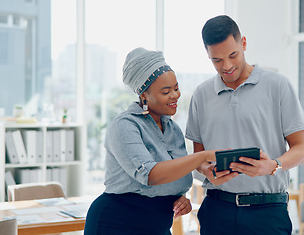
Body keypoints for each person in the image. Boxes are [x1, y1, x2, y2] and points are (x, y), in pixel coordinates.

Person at [185, 15, 304, 234]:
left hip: (267, 212)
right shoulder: (201, 95)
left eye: (233, 55)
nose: (227, 66)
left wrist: (273, 165)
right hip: (216, 210)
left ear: (243, 43)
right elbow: (198, 156)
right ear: (207, 55)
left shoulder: (278, 86)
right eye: (217, 60)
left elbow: (301, 150)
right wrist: (207, 170)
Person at [84, 48, 216, 235]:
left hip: (157, 227)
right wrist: (202, 156)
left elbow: (175, 176)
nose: (175, 96)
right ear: (144, 95)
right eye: (166, 91)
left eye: (176, 88)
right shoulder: (124, 126)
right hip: (116, 225)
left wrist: (181, 198)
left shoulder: (172, 129)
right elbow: (151, 175)